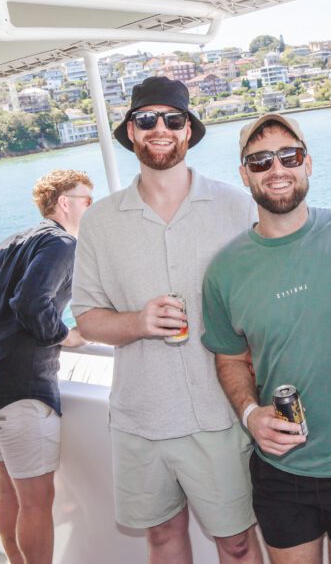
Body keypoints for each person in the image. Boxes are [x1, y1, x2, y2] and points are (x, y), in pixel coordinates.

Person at [71, 76, 261, 564]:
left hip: (220, 414)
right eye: (146, 119)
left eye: (173, 119)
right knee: (161, 537)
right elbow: (88, 319)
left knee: (237, 543)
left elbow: (264, 301)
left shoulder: (236, 205)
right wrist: (137, 321)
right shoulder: (100, 220)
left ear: (189, 131)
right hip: (141, 415)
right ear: (130, 132)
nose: (161, 129)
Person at [201, 113, 331, 564]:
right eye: (259, 161)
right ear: (244, 174)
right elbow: (230, 358)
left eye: (288, 155)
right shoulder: (224, 270)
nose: (276, 169)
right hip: (281, 467)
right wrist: (251, 414)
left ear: (307, 163)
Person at [0, 169, 92, 564]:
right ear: (65, 203)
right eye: (87, 200)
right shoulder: (62, 243)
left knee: (8, 490)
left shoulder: (12, 241)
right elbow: (30, 303)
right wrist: (67, 335)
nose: (91, 208)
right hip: (20, 389)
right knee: (37, 501)